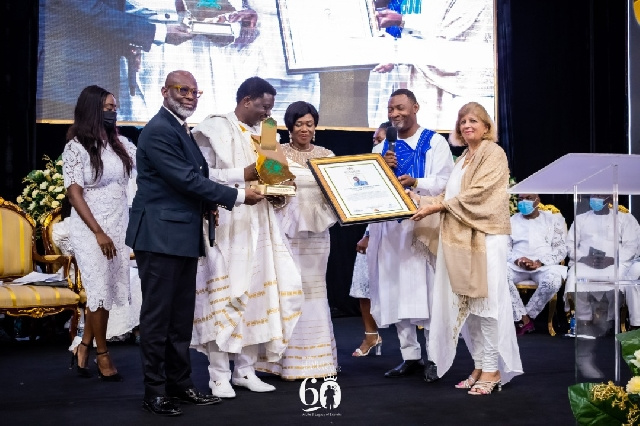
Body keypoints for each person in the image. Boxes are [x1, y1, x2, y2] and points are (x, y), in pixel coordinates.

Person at [125, 70, 264, 416]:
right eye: (181, 90)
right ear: (164, 91)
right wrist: (239, 196)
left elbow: (197, 177)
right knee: (158, 319)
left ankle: (181, 385)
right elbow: (185, 179)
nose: (189, 96)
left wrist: (209, 205)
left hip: (183, 235)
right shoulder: (158, 130)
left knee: (179, 319)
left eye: (194, 91)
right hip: (158, 237)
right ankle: (155, 392)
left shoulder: (180, 128)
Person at [190, 77, 303, 398]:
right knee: (224, 297)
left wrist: (281, 187)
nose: (269, 113)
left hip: (262, 226)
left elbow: (277, 180)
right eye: (265, 107)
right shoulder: (214, 129)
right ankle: (218, 376)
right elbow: (200, 176)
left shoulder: (266, 134)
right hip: (226, 224)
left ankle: (245, 370)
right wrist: (244, 175)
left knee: (258, 297)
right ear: (247, 100)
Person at [411, 101, 522, 395]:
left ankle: (493, 369)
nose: (466, 125)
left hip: (487, 238)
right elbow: (448, 195)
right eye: (462, 121)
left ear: (486, 126)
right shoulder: (463, 159)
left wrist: (437, 206)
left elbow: (480, 194)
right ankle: (479, 364)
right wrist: (413, 201)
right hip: (461, 238)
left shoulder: (493, 153)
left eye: (473, 120)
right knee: (470, 307)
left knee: (487, 305)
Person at [367, 89, 454, 381]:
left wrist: (416, 180)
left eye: (401, 108)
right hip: (389, 230)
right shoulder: (382, 148)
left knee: (427, 294)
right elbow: (369, 189)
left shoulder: (434, 142)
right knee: (395, 291)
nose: (395, 114)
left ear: (415, 107)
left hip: (422, 228)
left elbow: (447, 182)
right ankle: (410, 356)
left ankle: (434, 358)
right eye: (391, 109)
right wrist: (383, 170)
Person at [255, 101, 338, 380]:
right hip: (286, 232)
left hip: (318, 234)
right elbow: (271, 189)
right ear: (289, 127)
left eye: (309, 124)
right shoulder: (276, 151)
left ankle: (318, 361)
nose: (305, 129)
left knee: (315, 290)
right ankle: (280, 361)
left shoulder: (327, 155)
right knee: (288, 289)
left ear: (315, 127)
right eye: (299, 124)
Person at [62, 85, 137, 383]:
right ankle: (102, 354)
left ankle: (82, 347)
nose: (113, 112)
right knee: (97, 290)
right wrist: (98, 232)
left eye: (115, 107)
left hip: (118, 225)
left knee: (104, 290)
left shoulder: (123, 145)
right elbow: (74, 193)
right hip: (90, 227)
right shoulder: (76, 147)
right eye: (107, 107)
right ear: (93, 109)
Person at [37, 0, 194, 120]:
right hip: (65, 83)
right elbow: (92, 11)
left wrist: (124, 47)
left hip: (87, 80)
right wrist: (158, 32)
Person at [565, 196, 640, 343]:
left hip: (617, 262)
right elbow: (570, 245)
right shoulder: (581, 219)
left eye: (599, 196)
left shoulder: (625, 219)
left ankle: (611, 320)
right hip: (585, 261)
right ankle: (584, 320)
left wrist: (612, 259)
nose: (595, 199)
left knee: (618, 278)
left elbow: (632, 246)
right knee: (575, 277)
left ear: (610, 197)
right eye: (593, 196)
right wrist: (584, 258)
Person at [350, 121, 391, 357]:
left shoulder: (403, 166)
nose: (375, 144)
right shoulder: (370, 169)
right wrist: (367, 234)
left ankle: (417, 351)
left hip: (400, 234)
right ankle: (371, 335)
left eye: (380, 140)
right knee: (362, 285)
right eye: (374, 140)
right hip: (373, 230)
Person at [507, 194, 568, 336]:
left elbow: (561, 249)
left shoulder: (552, 220)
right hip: (517, 265)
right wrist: (518, 260)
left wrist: (540, 262)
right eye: (520, 199)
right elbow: (504, 248)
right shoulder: (511, 220)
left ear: (537, 200)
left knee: (553, 281)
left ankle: (526, 317)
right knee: (497, 276)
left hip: (544, 265)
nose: (523, 202)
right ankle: (524, 319)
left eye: (528, 198)